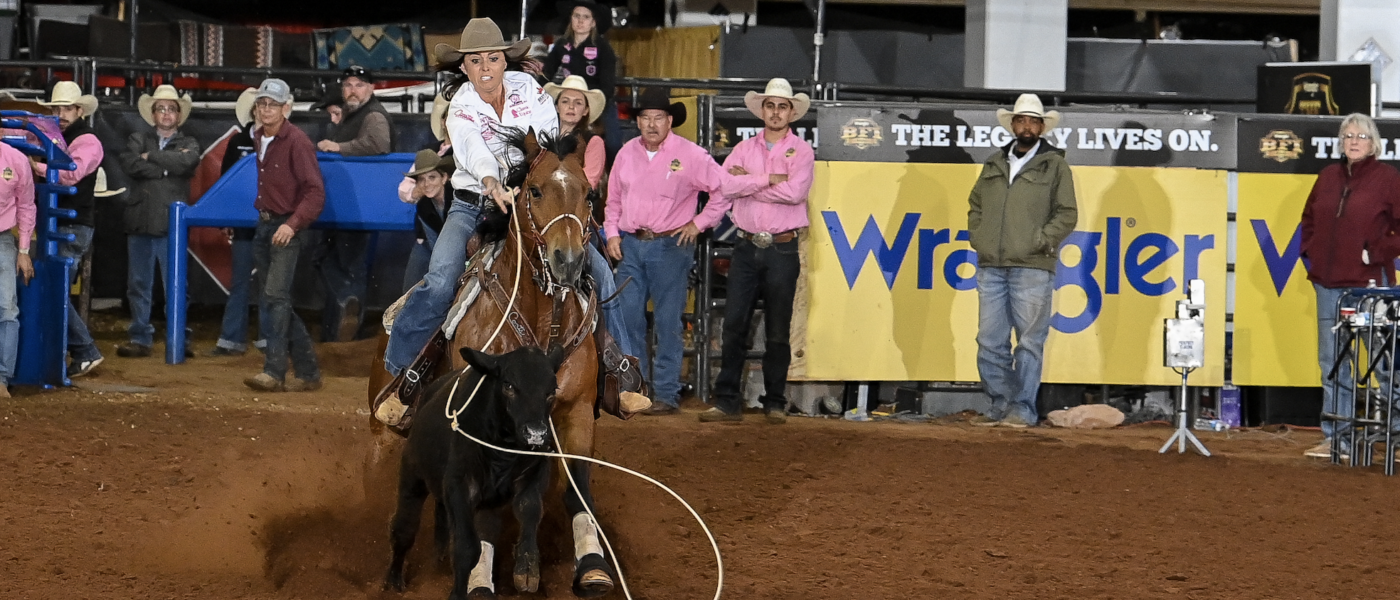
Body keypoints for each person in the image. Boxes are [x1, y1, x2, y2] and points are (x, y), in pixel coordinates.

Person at [380, 18, 551, 383]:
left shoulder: (531, 91)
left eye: (492, 58)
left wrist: (524, 185)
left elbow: (547, 140)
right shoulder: (461, 104)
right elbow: (472, 149)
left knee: (590, 267)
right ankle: (400, 373)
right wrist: (492, 181)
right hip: (472, 204)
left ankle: (618, 367)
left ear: (506, 61)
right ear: (464, 67)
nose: (485, 67)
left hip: (529, 202)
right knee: (441, 279)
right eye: (476, 61)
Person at [604, 88, 735, 416]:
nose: (651, 124)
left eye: (658, 118)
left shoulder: (691, 155)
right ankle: (639, 391)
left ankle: (664, 393)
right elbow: (614, 199)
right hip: (632, 242)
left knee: (666, 322)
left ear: (669, 121)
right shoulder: (625, 153)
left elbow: (723, 189)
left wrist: (699, 223)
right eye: (645, 118)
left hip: (670, 244)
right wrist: (611, 233)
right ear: (637, 121)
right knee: (629, 317)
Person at [698, 78, 814, 425]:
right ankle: (730, 399)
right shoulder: (746, 148)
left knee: (778, 328)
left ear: (791, 112)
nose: (776, 112)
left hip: (780, 245)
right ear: (763, 110)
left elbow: (795, 193)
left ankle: (773, 400)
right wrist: (769, 179)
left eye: (782, 106)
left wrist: (749, 180)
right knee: (735, 323)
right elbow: (726, 183)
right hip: (749, 245)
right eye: (771, 106)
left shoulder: (801, 151)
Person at [966, 93, 1078, 428]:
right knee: (990, 341)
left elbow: (1067, 213)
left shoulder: (1055, 165)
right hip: (992, 265)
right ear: (1013, 124)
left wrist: (1040, 241)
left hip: (1032, 266)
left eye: (1033, 120)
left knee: (1029, 342)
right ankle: (1002, 407)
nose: (1026, 125)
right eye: (1021, 120)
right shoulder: (993, 163)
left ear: (1042, 127)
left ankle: (1023, 409)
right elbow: (976, 204)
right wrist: (979, 236)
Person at [1299, 113, 1400, 459]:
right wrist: (1308, 257)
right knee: (1332, 362)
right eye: (1347, 136)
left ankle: (1397, 437)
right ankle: (1338, 438)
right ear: (1340, 142)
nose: (1354, 141)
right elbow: (1308, 219)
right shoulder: (1327, 176)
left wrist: (1376, 253)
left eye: (1361, 136)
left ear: (1374, 143)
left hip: (1371, 288)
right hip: (1328, 288)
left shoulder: (1388, 179)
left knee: (1385, 363)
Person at [243, 78, 324, 393]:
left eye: (272, 104)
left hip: (282, 226)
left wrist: (292, 224)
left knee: (275, 297)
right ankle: (307, 370)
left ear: (285, 108)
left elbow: (315, 192)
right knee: (276, 300)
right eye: (263, 103)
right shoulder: (261, 137)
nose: (266, 109)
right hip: (268, 223)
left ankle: (274, 371)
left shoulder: (297, 141)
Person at [545, 74, 629, 353]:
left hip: (574, 225)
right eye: (566, 101)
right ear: (557, 106)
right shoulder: (540, 135)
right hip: (540, 223)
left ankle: (621, 357)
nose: (570, 107)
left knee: (604, 277)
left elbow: (588, 183)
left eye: (577, 103)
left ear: (585, 110)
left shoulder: (593, 143)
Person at [116, 84, 201, 359]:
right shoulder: (137, 139)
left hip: (171, 223)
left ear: (178, 114)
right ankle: (140, 338)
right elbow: (130, 165)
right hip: (141, 219)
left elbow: (186, 164)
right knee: (138, 284)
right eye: (161, 108)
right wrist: (167, 167)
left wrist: (152, 157)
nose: (166, 113)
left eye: (171, 109)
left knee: (176, 285)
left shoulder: (189, 144)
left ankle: (179, 337)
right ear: (153, 114)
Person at [33, 81, 105, 377]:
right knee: (54, 287)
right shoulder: (57, 138)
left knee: (55, 289)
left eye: (66, 108)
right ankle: (73, 351)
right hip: (61, 223)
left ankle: (85, 349)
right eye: (56, 107)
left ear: (79, 111)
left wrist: (29, 165)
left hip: (72, 225)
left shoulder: (88, 141)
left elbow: (67, 175)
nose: (60, 113)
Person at [315, 65, 391, 342]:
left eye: (359, 84)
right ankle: (341, 323)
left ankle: (347, 331)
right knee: (335, 261)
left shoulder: (372, 115)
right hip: (347, 203)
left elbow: (379, 144)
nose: (352, 90)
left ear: (371, 89)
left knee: (347, 264)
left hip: (360, 204)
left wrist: (339, 146)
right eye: (348, 85)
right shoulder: (353, 116)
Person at [210, 87, 267, 356]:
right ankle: (233, 339)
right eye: (259, 106)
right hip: (245, 221)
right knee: (242, 279)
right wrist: (225, 216)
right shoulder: (238, 142)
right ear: (253, 110)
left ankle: (269, 339)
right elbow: (226, 181)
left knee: (270, 282)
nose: (263, 111)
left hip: (271, 220)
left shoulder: (283, 141)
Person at [542, 0, 619, 158]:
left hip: (597, 101)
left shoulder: (603, 48)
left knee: (613, 144)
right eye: (577, 16)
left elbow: (607, 85)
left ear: (593, 22)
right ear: (571, 19)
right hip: (569, 98)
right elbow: (546, 72)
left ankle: (612, 179)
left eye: (586, 17)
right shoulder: (562, 45)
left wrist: (591, 106)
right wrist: (541, 93)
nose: (580, 21)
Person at [0, 139, 35, 397]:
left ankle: (1, 379)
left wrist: (23, 251)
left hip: (2, 238)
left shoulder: (16, 160)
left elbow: (26, 205)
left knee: (7, 308)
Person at [402, 149, 452, 291]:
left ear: (444, 178)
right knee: (409, 292)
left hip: (469, 252)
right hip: (436, 249)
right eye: (422, 179)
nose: (427, 184)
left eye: (432, 177)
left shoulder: (458, 197)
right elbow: (434, 241)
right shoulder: (423, 206)